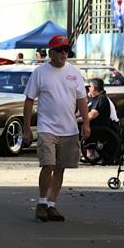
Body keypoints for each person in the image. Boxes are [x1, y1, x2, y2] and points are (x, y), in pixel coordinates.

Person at [22, 35, 89, 222]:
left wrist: (86, 123)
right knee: (48, 165)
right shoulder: (40, 72)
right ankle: (41, 202)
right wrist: (27, 129)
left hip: (69, 129)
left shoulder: (74, 72)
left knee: (60, 168)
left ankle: (52, 204)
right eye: (59, 50)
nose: (63, 53)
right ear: (50, 52)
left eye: (66, 50)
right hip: (47, 128)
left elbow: (81, 99)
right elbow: (29, 101)